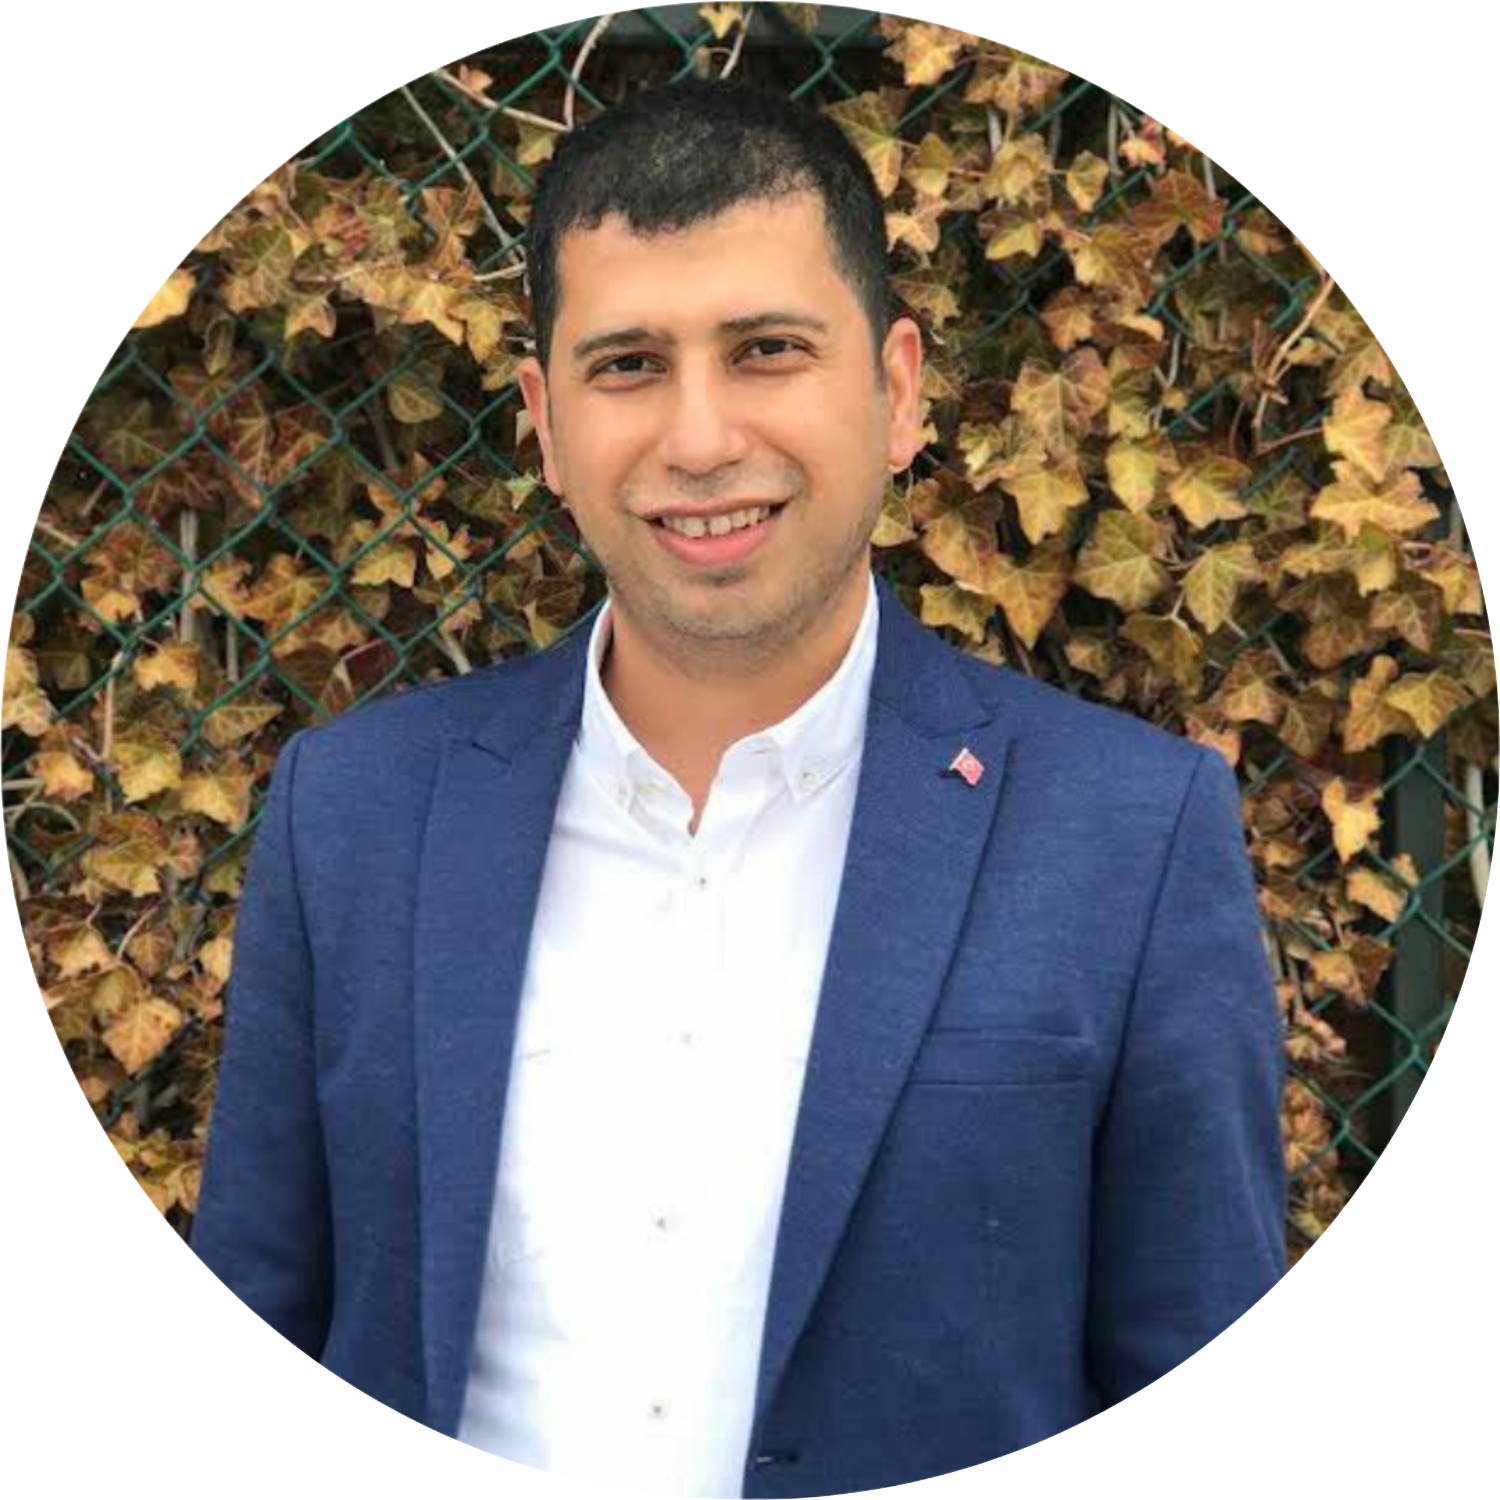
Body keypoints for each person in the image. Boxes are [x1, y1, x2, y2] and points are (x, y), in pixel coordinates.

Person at [189, 76, 1287, 1500]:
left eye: (767, 350)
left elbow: (1203, 1417)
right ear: (543, 424)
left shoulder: (1130, 835)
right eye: (628, 364)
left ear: (897, 390)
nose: (700, 439)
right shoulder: (352, 814)